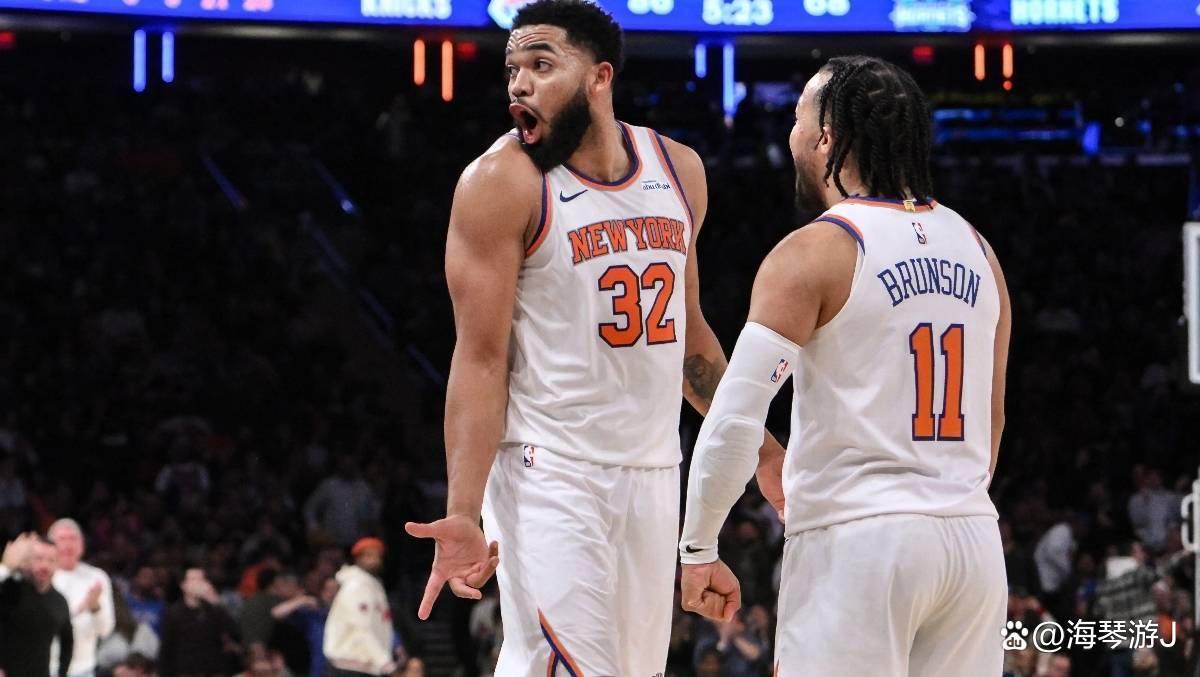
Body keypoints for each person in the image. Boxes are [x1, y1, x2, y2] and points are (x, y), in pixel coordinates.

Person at [404, 1, 784, 674]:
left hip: (653, 471)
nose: (520, 83)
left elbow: (690, 338)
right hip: (549, 471)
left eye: (541, 64)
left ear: (599, 77)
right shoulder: (500, 183)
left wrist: (758, 444)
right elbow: (480, 359)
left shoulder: (678, 170)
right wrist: (462, 509)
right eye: (512, 69)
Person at [678, 55, 1012, 676]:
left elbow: (734, 421)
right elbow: (990, 425)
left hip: (858, 543)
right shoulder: (980, 250)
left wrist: (698, 546)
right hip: (971, 542)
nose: (791, 136)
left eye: (797, 119)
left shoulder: (816, 251)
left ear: (826, 138)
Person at [0, 533, 74, 677]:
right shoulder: (9, 588)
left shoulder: (59, 601)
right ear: (26, 561)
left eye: (51, 560)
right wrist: (6, 567)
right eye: (39, 558)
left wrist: (62, 673)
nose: (44, 566)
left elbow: (67, 644)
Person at [49, 518, 115, 677]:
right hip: (45, 667)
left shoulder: (97, 577)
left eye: (73, 538)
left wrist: (95, 607)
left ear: (82, 545)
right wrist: (80, 609)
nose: (68, 545)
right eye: (62, 539)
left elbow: (105, 631)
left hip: (82, 669)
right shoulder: (41, 575)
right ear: (50, 545)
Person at [323, 538, 399, 677]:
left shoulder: (372, 584)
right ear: (358, 558)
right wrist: (385, 662)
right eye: (369, 556)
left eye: (377, 556)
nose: (375, 560)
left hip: (365, 665)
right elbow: (360, 627)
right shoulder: (357, 585)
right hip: (350, 665)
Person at [159, 567, 241, 677]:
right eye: (194, 580)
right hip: (185, 671)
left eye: (202, 579)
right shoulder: (174, 613)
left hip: (213, 670)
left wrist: (215, 602)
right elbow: (166, 648)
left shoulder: (214, 610)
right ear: (183, 585)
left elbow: (234, 632)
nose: (200, 584)